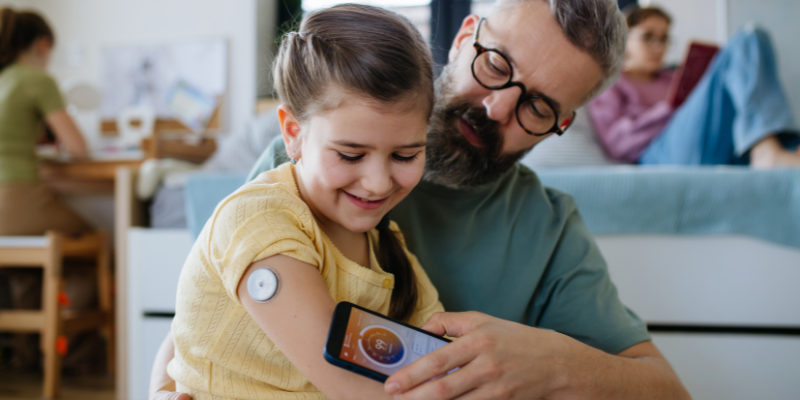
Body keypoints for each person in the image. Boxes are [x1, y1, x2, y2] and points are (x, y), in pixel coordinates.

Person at [152, 0, 692, 399]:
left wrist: (552, 362)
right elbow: (202, 320)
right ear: (463, 38)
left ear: (563, 124)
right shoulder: (307, 170)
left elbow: (666, 389)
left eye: (539, 106)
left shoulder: (545, 224)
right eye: (497, 66)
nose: (498, 108)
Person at [165, 5, 445, 399]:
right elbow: (354, 389)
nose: (378, 182)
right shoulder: (258, 222)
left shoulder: (388, 248)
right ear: (293, 133)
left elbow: (443, 359)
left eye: (405, 156)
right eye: (350, 155)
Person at [0, 7, 94, 371]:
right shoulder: (36, 79)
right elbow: (78, 147)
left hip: (5, 218)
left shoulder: (4, 79)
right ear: (43, 45)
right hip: (16, 197)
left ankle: (26, 360)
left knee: (26, 272)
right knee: (95, 244)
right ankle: (80, 354)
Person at [587, 6, 800, 166]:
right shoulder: (611, 83)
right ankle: (766, 151)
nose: (658, 47)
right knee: (746, 38)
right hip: (656, 156)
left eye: (664, 38)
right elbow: (618, 143)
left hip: (702, 142)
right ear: (624, 38)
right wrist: (670, 109)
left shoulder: (673, 77)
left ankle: (774, 146)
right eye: (648, 37)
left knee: (753, 41)